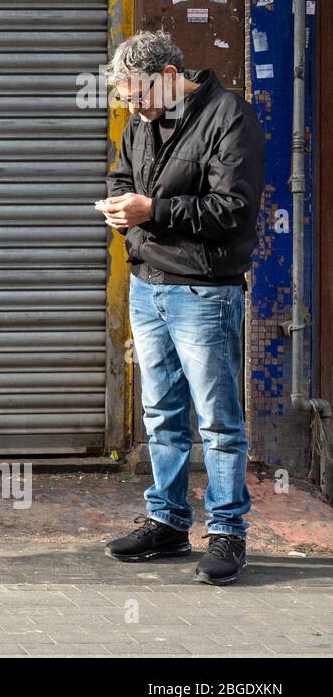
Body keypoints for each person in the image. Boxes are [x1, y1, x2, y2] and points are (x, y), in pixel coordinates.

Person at [97, 30, 264, 585]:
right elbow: (123, 176)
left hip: (205, 293)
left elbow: (233, 209)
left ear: (170, 75)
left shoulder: (228, 117)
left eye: (140, 96)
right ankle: (167, 524)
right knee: (162, 416)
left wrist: (154, 210)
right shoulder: (139, 122)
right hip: (147, 286)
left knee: (218, 422)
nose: (135, 109)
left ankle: (227, 535)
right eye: (126, 99)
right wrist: (122, 209)